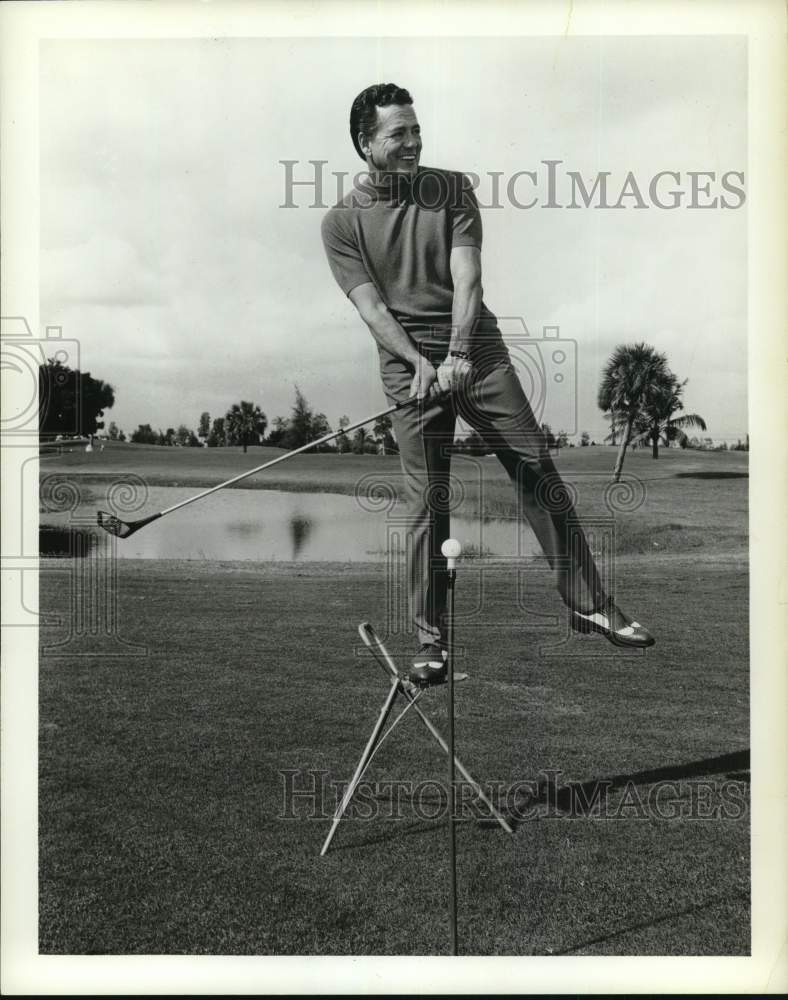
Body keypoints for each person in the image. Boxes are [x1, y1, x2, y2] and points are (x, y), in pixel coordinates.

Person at [320, 82, 654, 685]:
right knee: (427, 504)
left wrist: (454, 354)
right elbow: (372, 310)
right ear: (365, 144)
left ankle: (588, 602)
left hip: (475, 349)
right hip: (406, 366)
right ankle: (430, 641)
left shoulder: (451, 189)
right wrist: (420, 366)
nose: (413, 142)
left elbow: (467, 280)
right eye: (398, 133)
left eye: (416, 129)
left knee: (536, 469)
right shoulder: (341, 222)